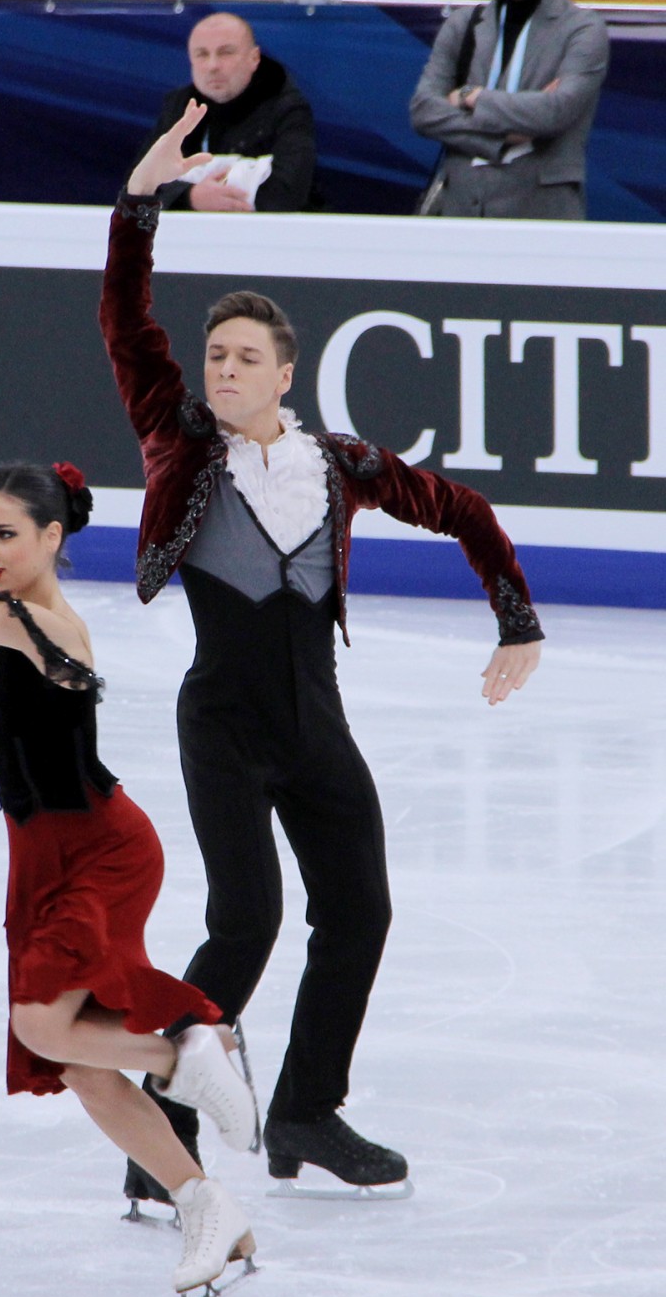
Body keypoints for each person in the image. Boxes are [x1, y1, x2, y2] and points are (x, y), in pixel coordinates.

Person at [100, 101, 545, 1211]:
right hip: (223, 724)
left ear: (285, 374)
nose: (224, 369)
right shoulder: (179, 443)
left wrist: (516, 620)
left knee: (359, 910)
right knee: (243, 921)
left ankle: (304, 1108)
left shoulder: (337, 464)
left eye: (246, 357)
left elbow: (461, 505)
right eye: (215, 355)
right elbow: (124, 324)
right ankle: (153, 1132)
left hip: (316, 725)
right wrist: (137, 206)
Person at [0, 462, 259, 1297]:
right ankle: (205, 1207)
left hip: (104, 851)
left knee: (43, 1022)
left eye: (8, 536)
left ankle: (184, 1052)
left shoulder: (43, 626)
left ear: (52, 539)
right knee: (72, 1059)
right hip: (35, 858)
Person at [409, 0, 609, 221]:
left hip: (541, 214)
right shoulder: (462, 25)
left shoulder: (582, 30)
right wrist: (504, 136)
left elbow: (555, 111)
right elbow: (423, 111)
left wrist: (471, 97)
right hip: (462, 212)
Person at [137, 11, 320, 212]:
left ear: (254, 58)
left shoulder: (288, 107)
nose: (213, 66)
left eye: (226, 52)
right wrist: (191, 196)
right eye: (202, 54)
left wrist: (221, 197)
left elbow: (288, 193)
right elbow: (139, 186)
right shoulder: (178, 105)